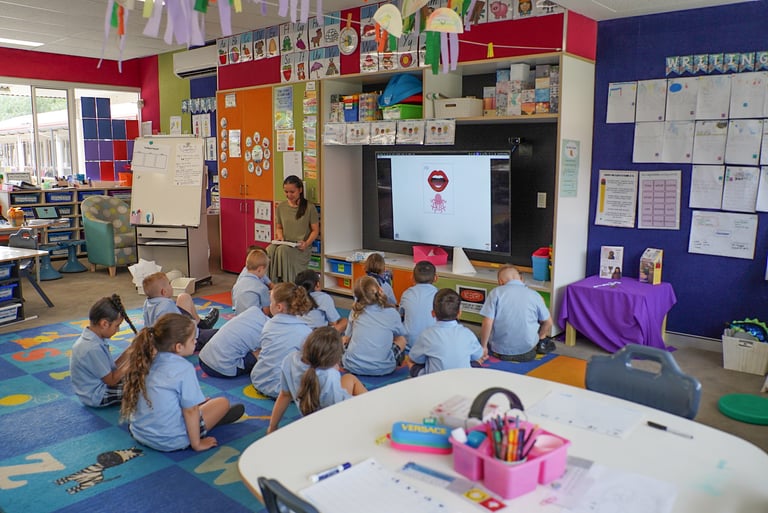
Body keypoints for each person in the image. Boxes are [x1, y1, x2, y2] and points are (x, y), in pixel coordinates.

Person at [120, 313, 245, 452]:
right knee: (222, 403)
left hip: (139, 433)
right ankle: (208, 423)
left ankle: (205, 413)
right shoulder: (183, 369)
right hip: (171, 439)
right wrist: (197, 444)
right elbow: (190, 411)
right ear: (178, 347)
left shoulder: (144, 360)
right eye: (192, 340)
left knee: (196, 403)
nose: (196, 341)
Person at [267, 327, 367, 433]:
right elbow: (339, 408)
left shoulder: (290, 360)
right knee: (352, 380)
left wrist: (272, 427)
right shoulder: (330, 375)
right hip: (334, 426)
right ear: (334, 361)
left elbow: (284, 395)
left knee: (348, 378)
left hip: (310, 417)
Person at [70, 294, 138, 407]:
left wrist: (132, 349)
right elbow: (111, 380)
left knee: (140, 375)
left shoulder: (94, 338)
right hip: (97, 395)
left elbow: (112, 368)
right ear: (104, 324)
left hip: (99, 386)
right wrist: (133, 361)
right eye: (117, 326)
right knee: (145, 386)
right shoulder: (92, 347)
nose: (118, 330)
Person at [250, 282, 314, 398]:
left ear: (279, 307)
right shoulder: (306, 331)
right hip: (285, 389)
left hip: (259, 379)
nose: (269, 305)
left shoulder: (268, 325)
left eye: (271, 302)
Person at [479, 265, 554, 362]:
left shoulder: (495, 293)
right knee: (541, 319)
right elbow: (549, 322)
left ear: (500, 282)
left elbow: (487, 322)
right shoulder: (535, 295)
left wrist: (483, 347)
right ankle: (541, 343)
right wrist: (540, 336)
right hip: (528, 348)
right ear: (522, 279)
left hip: (499, 350)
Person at [408, 289, 483, 377]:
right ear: (459, 313)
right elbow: (478, 354)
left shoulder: (427, 334)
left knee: (410, 361)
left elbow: (415, 358)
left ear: (433, 313)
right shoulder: (468, 333)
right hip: (463, 381)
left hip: (434, 383)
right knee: (477, 362)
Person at [342, 276, 407, 376]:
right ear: (380, 290)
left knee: (345, 338)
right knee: (401, 339)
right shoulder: (392, 313)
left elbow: (347, 336)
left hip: (352, 365)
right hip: (384, 368)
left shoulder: (355, 312)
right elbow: (401, 333)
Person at [142, 272, 218, 350]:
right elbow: (177, 329)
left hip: (158, 339)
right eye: (169, 284)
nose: (171, 286)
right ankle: (202, 327)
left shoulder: (148, 302)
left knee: (184, 297)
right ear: (164, 292)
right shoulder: (166, 305)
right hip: (187, 340)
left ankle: (203, 324)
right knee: (220, 334)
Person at [266, 175, 320, 284]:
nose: (289, 195)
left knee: (282, 250)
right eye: (286, 192)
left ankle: (285, 284)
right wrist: (280, 236)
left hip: (300, 248)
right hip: (286, 243)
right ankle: (269, 283)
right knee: (269, 249)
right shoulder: (281, 207)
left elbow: (315, 230)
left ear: (300, 190)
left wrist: (306, 243)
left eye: (292, 192)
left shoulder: (309, 207)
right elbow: (279, 227)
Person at [198, 306, 270, 378]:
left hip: (203, 357)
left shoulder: (253, 310)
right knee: (266, 350)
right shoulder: (272, 330)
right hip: (220, 368)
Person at [399, 260, 438, 351]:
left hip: (409, 346)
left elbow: (401, 315)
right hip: (432, 346)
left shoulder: (406, 294)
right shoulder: (439, 295)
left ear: (412, 278)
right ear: (436, 278)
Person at [232, 249, 271, 315]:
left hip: (239, 318)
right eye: (265, 271)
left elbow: (234, 305)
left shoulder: (237, 285)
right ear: (260, 269)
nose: (265, 273)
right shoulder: (262, 288)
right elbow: (267, 312)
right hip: (254, 321)